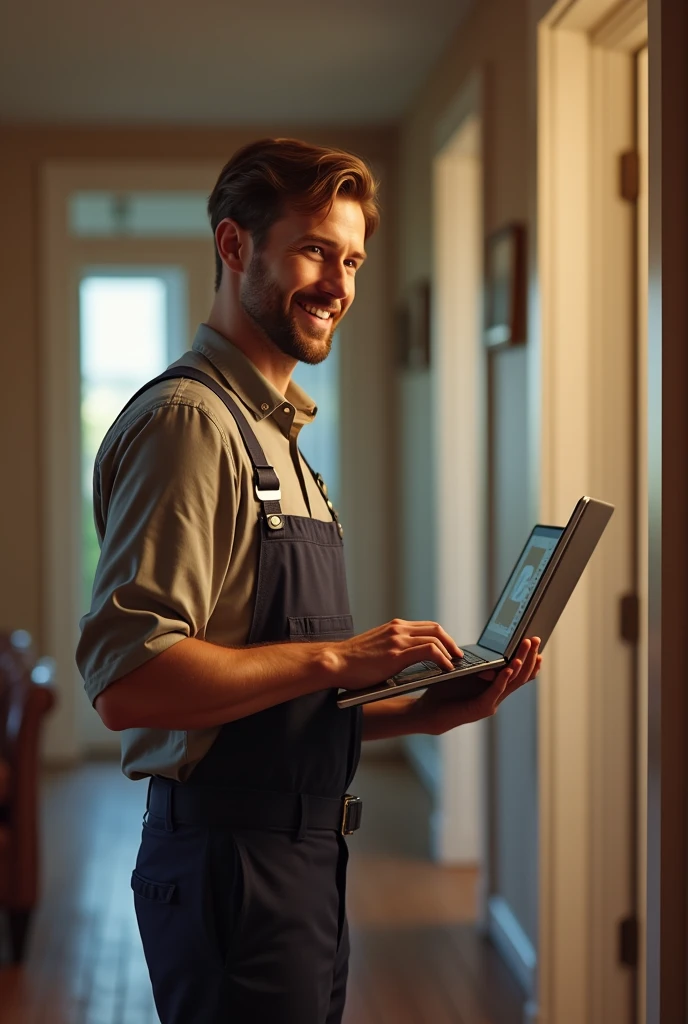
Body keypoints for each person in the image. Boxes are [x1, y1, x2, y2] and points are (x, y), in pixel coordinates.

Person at [76, 137, 542, 1024]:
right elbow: (129, 683)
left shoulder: (280, 440)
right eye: (316, 250)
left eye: (353, 259)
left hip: (301, 863)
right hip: (231, 871)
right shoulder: (189, 425)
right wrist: (338, 658)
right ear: (234, 245)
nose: (340, 283)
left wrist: (435, 708)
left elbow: (275, 705)